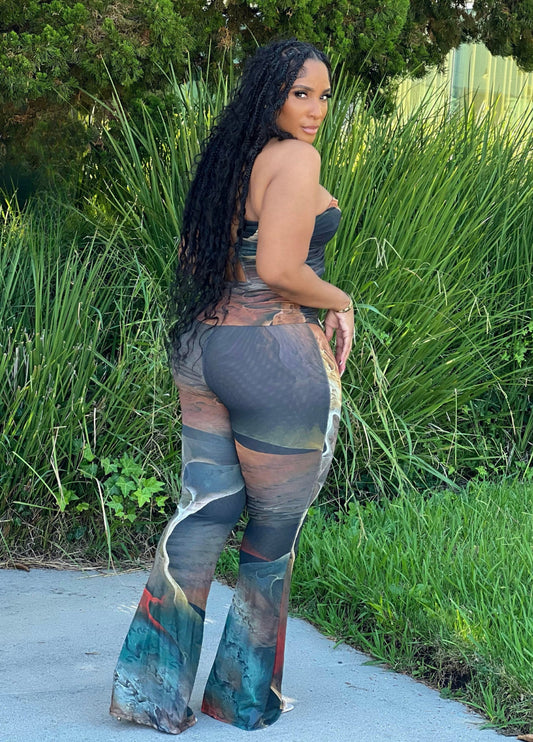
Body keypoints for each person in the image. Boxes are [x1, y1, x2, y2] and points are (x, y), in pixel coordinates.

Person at [109, 38, 354, 735]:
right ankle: (241, 698)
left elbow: (198, 255)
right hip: (271, 354)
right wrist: (339, 299)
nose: (314, 110)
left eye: (323, 96)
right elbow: (279, 269)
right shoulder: (296, 160)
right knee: (272, 531)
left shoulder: (230, 160)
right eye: (300, 93)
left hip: (203, 348)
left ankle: (149, 693)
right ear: (269, 94)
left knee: (204, 514)